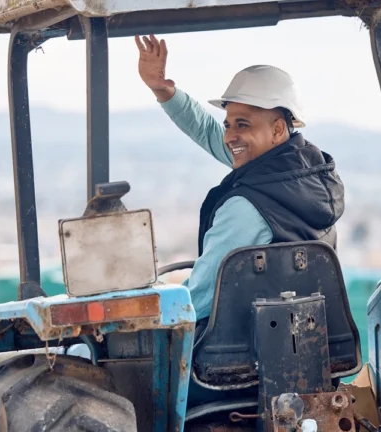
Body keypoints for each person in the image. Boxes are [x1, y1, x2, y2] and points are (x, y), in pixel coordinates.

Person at [135, 35, 345, 321]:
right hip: (299, 338)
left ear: (277, 130)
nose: (230, 136)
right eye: (228, 124)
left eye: (242, 124)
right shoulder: (304, 177)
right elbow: (211, 133)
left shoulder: (248, 209)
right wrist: (164, 92)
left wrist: (142, 317)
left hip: (232, 350)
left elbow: (196, 302)